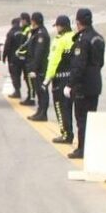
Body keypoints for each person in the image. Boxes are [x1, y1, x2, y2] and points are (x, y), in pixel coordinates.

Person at [66, 8, 105, 159]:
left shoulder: (83, 40)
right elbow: (100, 63)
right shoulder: (99, 38)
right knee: (91, 118)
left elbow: (78, 66)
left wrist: (70, 84)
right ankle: (89, 147)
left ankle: (82, 149)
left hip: (82, 86)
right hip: (95, 84)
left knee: (82, 119)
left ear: (78, 22)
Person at [42, 15, 74, 143]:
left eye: (57, 26)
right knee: (69, 108)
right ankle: (69, 132)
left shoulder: (59, 40)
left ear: (61, 26)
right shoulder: (74, 38)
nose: (56, 29)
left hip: (60, 79)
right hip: (71, 79)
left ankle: (65, 134)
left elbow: (54, 62)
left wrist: (47, 79)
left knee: (60, 107)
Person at [26, 12, 50, 122]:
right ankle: (39, 111)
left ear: (34, 21)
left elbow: (39, 53)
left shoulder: (41, 34)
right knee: (39, 91)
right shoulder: (36, 32)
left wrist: (34, 68)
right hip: (37, 67)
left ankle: (43, 113)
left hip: (40, 68)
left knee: (42, 91)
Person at [2, 17, 26, 98]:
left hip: (13, 58)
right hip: (23, 57)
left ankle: (17, 91)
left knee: (15, 75)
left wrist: (4, 56)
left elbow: (7, 46)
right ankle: (30, 93)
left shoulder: (11, 33)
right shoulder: (24, 32)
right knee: (23, 75)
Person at [15, 12, 35, 106]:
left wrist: (21, 53)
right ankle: (29, 96)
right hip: (24, 58)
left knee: (29, 80)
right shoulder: (24, 29)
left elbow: (28, 45)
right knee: (27, 79)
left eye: (22, 20)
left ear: (24, 20)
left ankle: (31, 98)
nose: (21, 22)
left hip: (27, 58)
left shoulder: (28, 30)